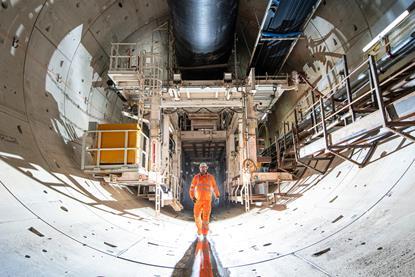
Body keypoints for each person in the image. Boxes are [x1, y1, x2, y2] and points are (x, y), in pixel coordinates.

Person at [189, 162, 220, 240]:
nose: (203, 169)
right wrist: (192, 197)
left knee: (206, 218)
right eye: (201, 167)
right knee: (196, 216)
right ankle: (199, 230)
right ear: (199, 169)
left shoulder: (211, 177)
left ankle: (205, 233)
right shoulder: (196, 177)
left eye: (204, 167)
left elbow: (215, 187)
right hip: (198, 201)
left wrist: (217, 196)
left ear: (207, 168)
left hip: (207, 201)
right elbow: (192, 188)